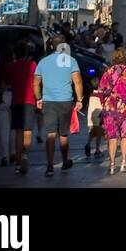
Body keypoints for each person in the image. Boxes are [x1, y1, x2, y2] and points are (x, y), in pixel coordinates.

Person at [33, 34, 84, 177]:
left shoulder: (43, 62)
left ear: (51, 45)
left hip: (48, 101)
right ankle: (65, 162)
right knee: (63, 134)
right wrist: (79, 100)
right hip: (65, 101)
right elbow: (78, 81)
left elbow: (36, 82)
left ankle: (49, 167)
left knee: (50, 134)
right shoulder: (71, 60)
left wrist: (38, 98)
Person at [97, 46, 126, 175]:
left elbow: (101, 89)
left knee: (111, 136)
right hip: (125, 107)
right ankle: (124, 163)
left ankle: (112, 165)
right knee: (125, 134)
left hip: (110, 107)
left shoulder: (108, 72)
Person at [3, 39, 37, 176]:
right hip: (29, 101)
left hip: (16, 101)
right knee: (27, 130)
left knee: (17, 132)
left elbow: (6, 84)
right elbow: (37, 82)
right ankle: (24, 154)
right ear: (27, 53)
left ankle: (18, 162)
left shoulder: (11, 66)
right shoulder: (33, 65)